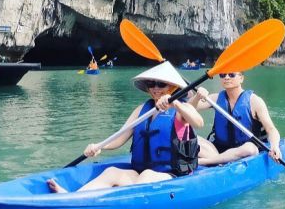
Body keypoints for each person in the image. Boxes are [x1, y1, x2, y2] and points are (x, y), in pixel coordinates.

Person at [47, 61, 204, 193]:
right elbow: (119, 137)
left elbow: (199, 122)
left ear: (172, 87)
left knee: (147, 175)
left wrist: (174, 103)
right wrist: (99, 147)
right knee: (111, 172)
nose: (155, 88)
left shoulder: (181, 108)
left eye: (161, 84)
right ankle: (73, 197)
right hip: (140, 175)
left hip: (170, 175)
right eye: (151, 83)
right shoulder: (141, 110)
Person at [189, 71, 282, 166]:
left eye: (232, 75)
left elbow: (271, 129)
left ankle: (203, 162)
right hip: (218, 150)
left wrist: (275, 146)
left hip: (244, 151)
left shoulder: (254, 101)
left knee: (250, 148)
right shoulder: (215, 98)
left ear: (241, 78)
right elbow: (188, 108)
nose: (227, 77)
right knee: (189, 137)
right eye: (222, 75)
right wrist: (197, 97)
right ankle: (218, 160)